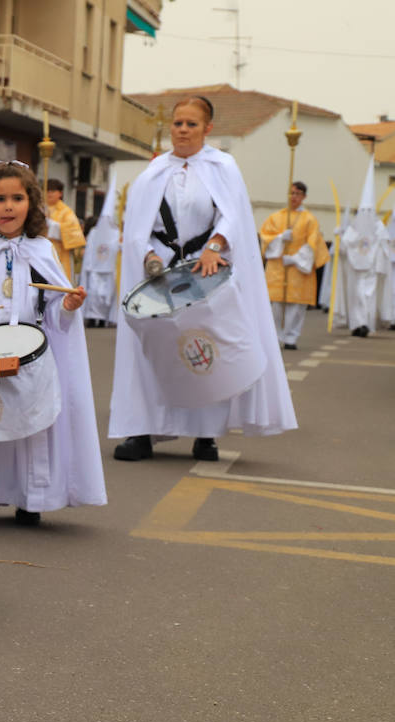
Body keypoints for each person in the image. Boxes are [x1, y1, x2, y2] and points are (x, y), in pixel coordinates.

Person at [110, 95, 296, 461]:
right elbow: (136, 226)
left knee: (205, 349)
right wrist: (146, 254)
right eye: (178, 123)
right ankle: (142, 432)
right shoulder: (153, 173)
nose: (182, 130)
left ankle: (205, 435)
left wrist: (215, 246)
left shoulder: (222, 167)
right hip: (159, 272)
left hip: (202, 269)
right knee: (151, 349)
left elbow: (233, 215)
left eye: (191, 124)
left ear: (207, 128)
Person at [0, 160, 105, 524]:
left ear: (31, 204)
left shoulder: (42, 250)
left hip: (32, 355)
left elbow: (55, 310)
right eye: (0, 198)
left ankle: (30, 497)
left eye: (17, 198)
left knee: (31, 425)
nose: (8, 207)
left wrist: (68, 307)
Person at [261, 181, 328, 349]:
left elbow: (313, 242)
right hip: (278, 266)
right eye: (291, 193)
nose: (294, 197)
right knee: (277, 305)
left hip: (298, 268)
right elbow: (265, 237)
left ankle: (291, 337)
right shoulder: (276, 217)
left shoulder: (310, 219)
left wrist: (295, 259)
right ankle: (276, 337)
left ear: (304, 197)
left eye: (297, 194)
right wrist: (279, 238)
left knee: (296, 305)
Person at [331, 158, 389, 338]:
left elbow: (384, 246)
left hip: (371, 269)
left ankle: (366, 323)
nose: (366, 214)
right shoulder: (355, 226)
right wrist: (340, 236)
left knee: (368, 296)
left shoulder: (378, 227)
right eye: (363, 211)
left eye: (369, 211)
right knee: (356, 296)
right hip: (355, 268)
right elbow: (345, 247)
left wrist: (379, 263)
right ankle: (357, 324)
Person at [80, 170, 122, 329]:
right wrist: (88, 265)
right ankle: (92, 318)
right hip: (95, 269)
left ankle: (104, 318)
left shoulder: (117, 233)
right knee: (94, 294)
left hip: (109, 270)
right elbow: (90, 249)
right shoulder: (94, 232)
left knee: (106, 295)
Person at [45, 178, 85, 283]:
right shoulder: (39, 208)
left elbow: (74, 234)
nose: (49, 193)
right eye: (47, 190)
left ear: (60, 193)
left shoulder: (66, 212)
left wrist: (52, 226)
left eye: (53, 191)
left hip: (60, 254)